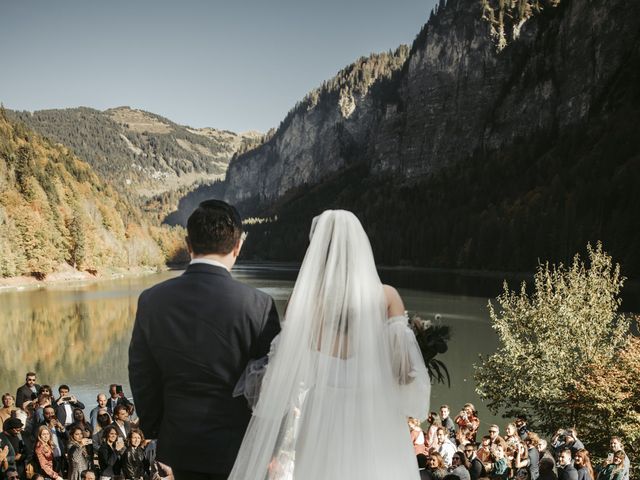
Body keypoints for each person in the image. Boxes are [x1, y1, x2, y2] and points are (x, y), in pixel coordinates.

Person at [227, 210, 431, 479]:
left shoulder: (301, 304)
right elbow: (404, 375)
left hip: (323, 418)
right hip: (376, 417)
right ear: (360, 248)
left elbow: (286, 375)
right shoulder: (387, 297)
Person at [129, 199, 281, 480]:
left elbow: (141, 373)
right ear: (238, 246)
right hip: (240, 446)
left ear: (188, 244)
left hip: (178, 444)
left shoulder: (151, 300)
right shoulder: (259, 305)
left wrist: (156, 431)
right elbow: (271, 382)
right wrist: (271, 443)